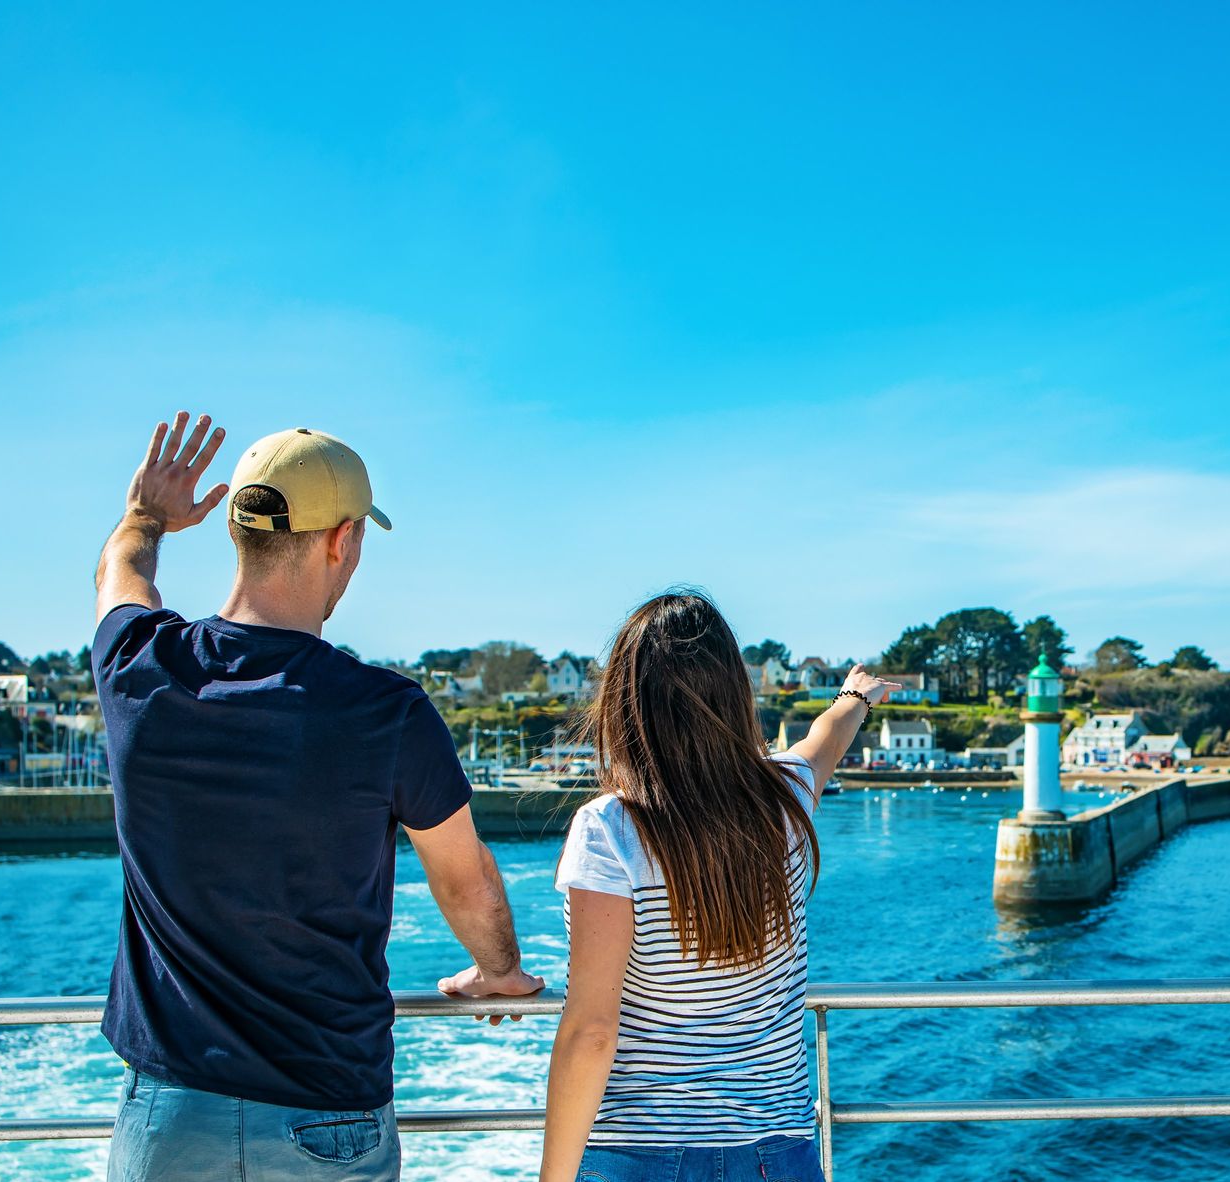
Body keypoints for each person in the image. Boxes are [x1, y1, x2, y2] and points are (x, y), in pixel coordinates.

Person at [91, 412, 543, 1181]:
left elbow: (120, 575)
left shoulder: (141, 667)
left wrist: (146, 516)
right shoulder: (386, 711)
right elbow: (463, 880)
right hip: (326, 1118)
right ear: (344, 542)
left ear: (238, 532)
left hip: (169, 1121)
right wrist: (499, 967)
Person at [538, 590, 900, 1182]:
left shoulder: (610, 829)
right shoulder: (785, 798)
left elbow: (593, 1032)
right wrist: (855, 695)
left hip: (641, 1155)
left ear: (626, 703)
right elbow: (828, 738)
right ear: (734, 693)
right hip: (776, 1155)